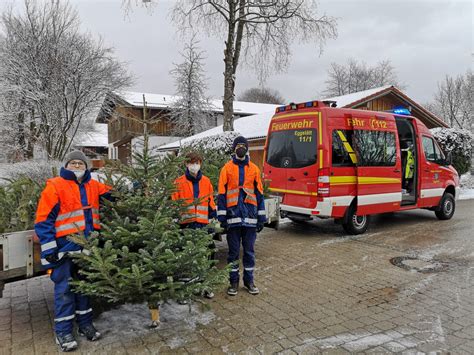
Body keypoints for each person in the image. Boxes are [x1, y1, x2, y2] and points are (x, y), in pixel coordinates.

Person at [35, 150, 112, 352]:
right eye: (73, 163)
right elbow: (43, 220)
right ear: (66, 165)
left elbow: (112, 193)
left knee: (84, 285)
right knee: (65, 289)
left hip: (87, 245)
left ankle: (85, 323)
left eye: (81, 163)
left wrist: (134, 188)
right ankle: (63, 331)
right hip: (65, 246)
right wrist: (49, 247)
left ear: (86, 166)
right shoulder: (56, 186)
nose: (77, 166)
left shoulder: (93, 185)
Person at [217, 136, 266, 296]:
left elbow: (259, 194)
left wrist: (261, 217)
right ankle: (233, 282)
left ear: (247, 148)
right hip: (233, 218)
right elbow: (222, 194)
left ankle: (249, 281)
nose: (240, 148)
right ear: (234, 148)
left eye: (243, 146)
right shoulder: (226, 169)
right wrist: (222, 217)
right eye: (238, 146)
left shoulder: (254, 169)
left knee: (250, 252)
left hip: (250, 219)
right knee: (232, 253)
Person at [171, 152, 217, 299]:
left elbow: (210, 202)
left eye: (197, 162)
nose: (194, 165)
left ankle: (204, 286)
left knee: (204, 257)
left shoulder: (206, 181)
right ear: (186, 164)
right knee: (186, 259)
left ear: (200, 164)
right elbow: (173, 205)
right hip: (186, 226)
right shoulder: (178, 183)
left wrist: (213, 218)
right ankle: (185, 292)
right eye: (192, 162)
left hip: (202, 226)